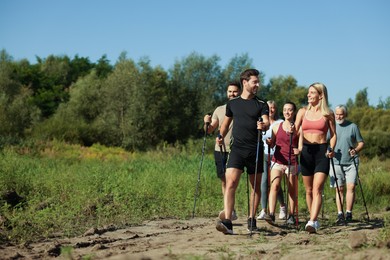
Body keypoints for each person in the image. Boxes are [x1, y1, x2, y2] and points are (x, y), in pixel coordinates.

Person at [215, 68, 269, 234]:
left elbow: (266, 121)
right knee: (230, 183)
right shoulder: (233, 103)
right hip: (237, 149)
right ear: (245, 83)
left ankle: (252, 219)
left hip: (255, 150)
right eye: (255, 82)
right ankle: (227, 221)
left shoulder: (261, 104)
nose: (257, 85)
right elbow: (225, 123)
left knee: (255, 187)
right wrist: (220, 134)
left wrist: (264, 125)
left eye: (258, 82)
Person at [295, 82, 337, 233]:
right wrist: (294, 143)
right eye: (308, 92)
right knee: (309, 189)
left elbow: (333, 135)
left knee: (317, 189)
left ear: (320, 95)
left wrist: (331, 149)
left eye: (312, 93)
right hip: (306, 151)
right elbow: (294, 131)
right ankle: (315, 219)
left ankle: (312, 221)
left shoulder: (328, 114)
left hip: (322, 151)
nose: (308, 95)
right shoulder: (302, 112)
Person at [203, 81, 241, 221]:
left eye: (235, 91)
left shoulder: (242, 109)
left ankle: (229, 210)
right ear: (226, 93)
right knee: (224, 181)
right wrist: (206, 122)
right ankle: (230, 209)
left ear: (240, 92)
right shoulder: (219, 109)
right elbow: (210, 129)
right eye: (230, 91)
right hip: (220, 149)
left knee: (230, 181)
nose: (232, 94)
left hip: (235, 150)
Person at [265, 102, 300, 225]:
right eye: (285, 109)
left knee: (291, 189)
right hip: (278, 160)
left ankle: (291, 215)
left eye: (290, 110)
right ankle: (271, 214)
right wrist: (269, 142)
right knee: (274, 185)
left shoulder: (298, 128)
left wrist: (299, 150)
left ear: (294, 112)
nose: (287, 112)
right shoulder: (276, 126)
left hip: (292, 162)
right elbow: (273, 144)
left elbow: (301, 145)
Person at [330, 105, 364, 224]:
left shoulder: (353, 126)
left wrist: (355, 150)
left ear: (345, 114)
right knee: (339, 188)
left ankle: (349, 213)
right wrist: (328, 151)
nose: (338, 116)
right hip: (335, 163)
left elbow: (361, 143)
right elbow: (325, 142)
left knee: (351, 187)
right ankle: (340, 214)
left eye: (341, 114)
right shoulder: (331, 126)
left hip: (351, 162)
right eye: (337, 114)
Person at [257, 101, 286, 220]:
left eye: (273, 108)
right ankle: (264, 209)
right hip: (265, 154)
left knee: (275, 182)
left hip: (278, 155)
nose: (271, 110)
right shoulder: (262, 122)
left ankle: (283, 206)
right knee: (264, 182)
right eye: (269, 108)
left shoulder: (280, 123)